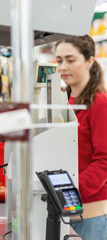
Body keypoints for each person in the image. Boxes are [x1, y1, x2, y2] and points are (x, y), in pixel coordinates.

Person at [55, 35, 107, 240]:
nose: (63, 67)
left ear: (89, 61)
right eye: (59, 60)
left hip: (91, 212)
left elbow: (104, 160)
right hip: (66, 204)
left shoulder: (100, 103)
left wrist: (71, 190)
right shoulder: (64, 99)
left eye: (70, 59)